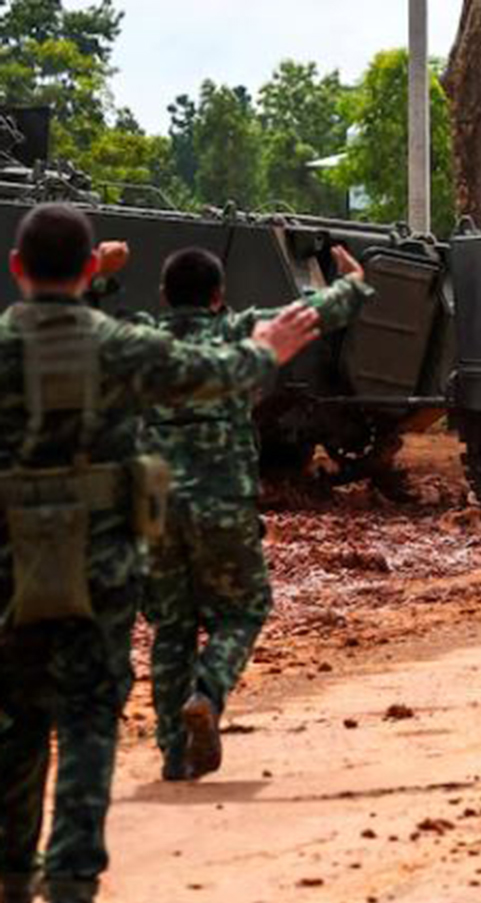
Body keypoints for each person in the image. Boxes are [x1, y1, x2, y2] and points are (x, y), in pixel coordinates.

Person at [0, 205, 321, 903]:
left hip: (9, 571)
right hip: (100, 567)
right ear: (89, 270)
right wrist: (267, 347)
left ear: (18, 269)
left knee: (16, 725)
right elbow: (210, 371)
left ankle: (11, 881)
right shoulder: (117, 347)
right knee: (87, 721)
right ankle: (73, 888)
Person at [141, 245, 374, 782]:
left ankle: (175, 754)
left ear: (163, 297)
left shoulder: (143, 343)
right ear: (219, 297)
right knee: (242, 611)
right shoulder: (237, 332)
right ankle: (208, 692)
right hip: (222, 502)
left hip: (154, 510)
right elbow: (313, 315)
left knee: (171, 629)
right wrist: (353, 284)